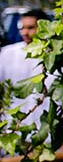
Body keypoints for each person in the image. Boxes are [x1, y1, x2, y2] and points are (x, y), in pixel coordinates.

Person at [0, 8, 50, 139]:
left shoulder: (55, 55)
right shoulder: (7, 54)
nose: (25, 32)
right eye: (22, 27)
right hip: (12, 128)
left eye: (30, 27)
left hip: (45, 131)